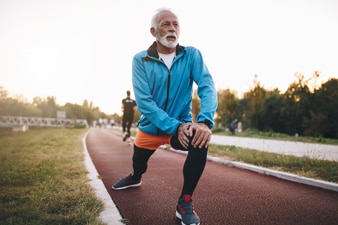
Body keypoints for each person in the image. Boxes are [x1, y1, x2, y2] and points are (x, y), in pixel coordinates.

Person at [112, 8, 218, 225]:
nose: (172, 28)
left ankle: (185, 201)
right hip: (150, 128)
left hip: (181, 124)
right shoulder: (140, 60)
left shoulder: (192, 55)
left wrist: (205, 121)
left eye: (175, 24)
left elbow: (207, 86)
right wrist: (174, 126)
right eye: (165, 24)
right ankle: (136, 176)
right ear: (153, 31)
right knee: (139, 163)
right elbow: (145, 104)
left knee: (199, 139)